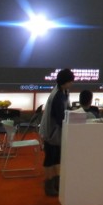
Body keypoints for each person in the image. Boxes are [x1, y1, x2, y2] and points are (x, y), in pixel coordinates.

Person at [39, 68, 75, 197]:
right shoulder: (58, 96)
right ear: (65, 82)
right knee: (50, 158)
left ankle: (56, 182)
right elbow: (60, 117)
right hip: (51, 132)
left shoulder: (63, 92)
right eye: (71, 81)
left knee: (57, 157)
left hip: (55, 133)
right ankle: (49, 184)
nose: (72, 83)